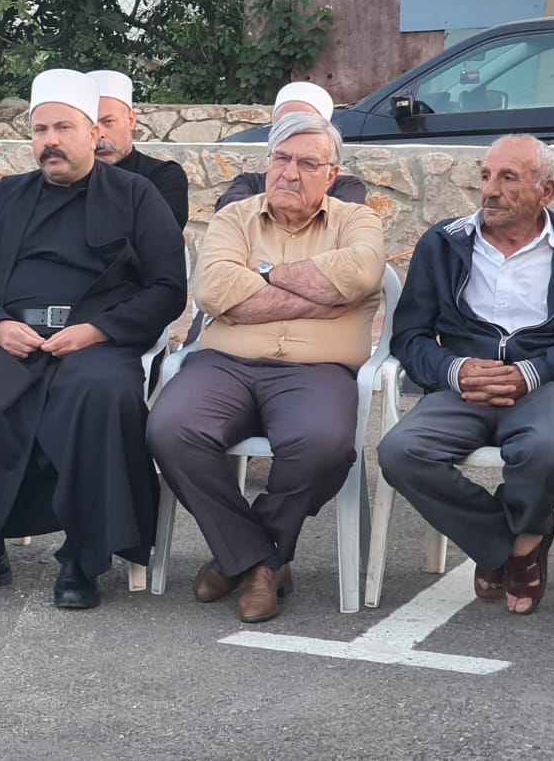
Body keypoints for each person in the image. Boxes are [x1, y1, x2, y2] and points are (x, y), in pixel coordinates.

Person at [0, 70, 186, 609]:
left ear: (92, 133)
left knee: (102, 393)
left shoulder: (137, 195)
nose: (50, 140)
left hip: (95, 342)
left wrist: (98, 330)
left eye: (63, 128)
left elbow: (168, 288)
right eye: (39, 130)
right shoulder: (4, 196)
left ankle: (82, 560)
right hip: (10, 338)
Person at [145, 112, 385, 623]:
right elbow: (213, 290)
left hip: (318, 369)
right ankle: (262, 561)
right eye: (281, 158)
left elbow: (361, 273)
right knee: (170, 429)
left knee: (323, 445)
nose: (289, 172)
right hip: (224, 364)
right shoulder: (235, 218)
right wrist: (318, 296)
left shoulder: (356, 220)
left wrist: (260, 276)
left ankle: (240, 558)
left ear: (332, 174)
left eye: (307, 163)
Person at [377, 134, 554, 616]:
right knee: (400, 452)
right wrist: (454, 369)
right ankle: (517, 543)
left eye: (508, 178)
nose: (490, 190)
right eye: (486, 175)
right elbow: (409, 336)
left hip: (545, 385)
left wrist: (533, 372)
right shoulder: (443, 244)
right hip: (462, 387)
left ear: (546, 191)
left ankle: (509, 542)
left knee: (546, 452)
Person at [217, 81, 366, 210]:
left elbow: (343, 215)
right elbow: (228, 209)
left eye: (304, 125)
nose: (290, 175)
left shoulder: (346, 186)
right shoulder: (250, 182)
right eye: (284, 125)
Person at [86, 70, 189, 228]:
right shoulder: (67, 180)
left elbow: (163, 232)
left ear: (131, 120)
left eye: (108, 122)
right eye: (91, 125)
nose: (100, 134)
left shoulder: (163, 176)